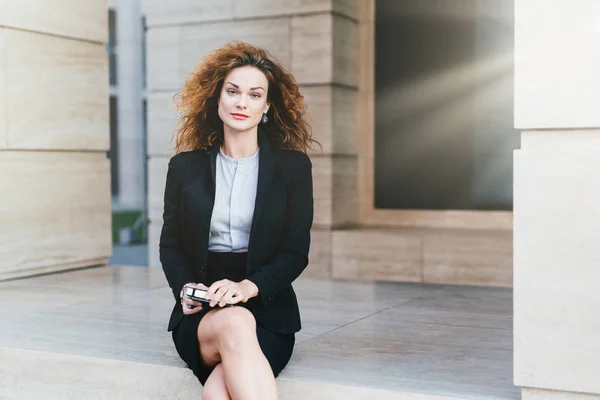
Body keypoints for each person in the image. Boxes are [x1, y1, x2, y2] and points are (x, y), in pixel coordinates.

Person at [159, 41, 318, 400]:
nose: (241, 102)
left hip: (267, 309)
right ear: (217, 99)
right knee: (233, 321)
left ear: (267, 106)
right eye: (232, 91)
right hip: (203, 313)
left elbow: (295, 251)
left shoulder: (293, 168)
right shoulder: (184, 167)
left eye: (254, 94)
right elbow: (170, 245)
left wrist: (248, 287)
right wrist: (185, 289)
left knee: (218, 391)